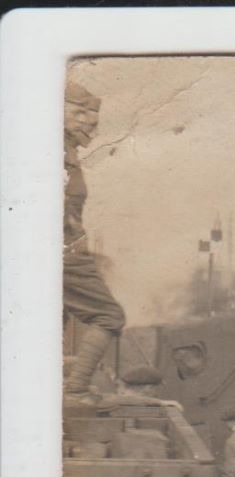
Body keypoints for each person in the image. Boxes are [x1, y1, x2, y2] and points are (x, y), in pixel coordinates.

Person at [62, 81, 127, 408]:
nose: (88, 122)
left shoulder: (62, 151)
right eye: (78, 112)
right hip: (62, 252)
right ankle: (75, 390)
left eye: (91, 117)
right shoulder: (52, 151)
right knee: (109, 316)